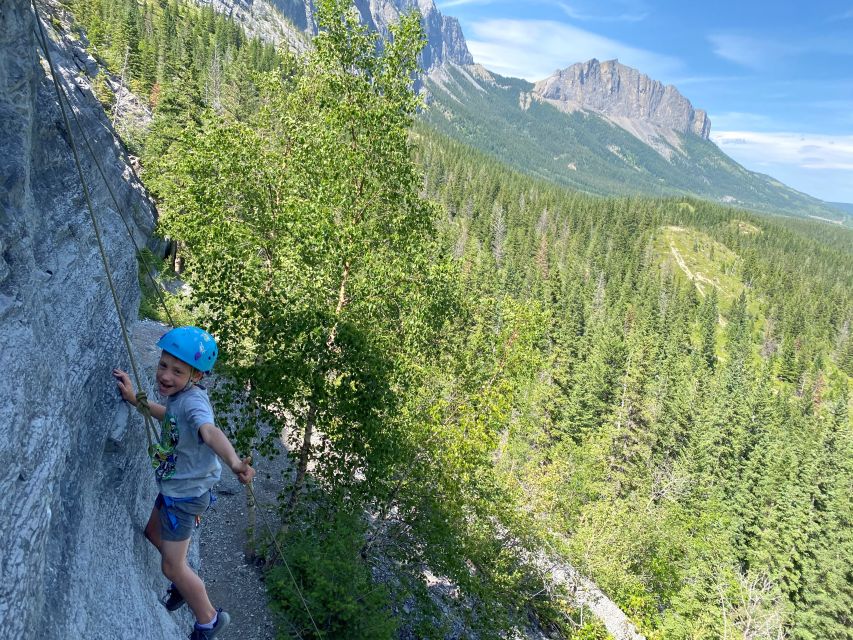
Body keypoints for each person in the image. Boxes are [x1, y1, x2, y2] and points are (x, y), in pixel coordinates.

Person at [113, 326, 255, 640]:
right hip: (176, 489)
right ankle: (184, 581)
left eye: (177, 371)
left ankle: (208, 620)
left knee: (172, 567)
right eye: (163, 365)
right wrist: (136, 399)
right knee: (152, 532)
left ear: (197, 378)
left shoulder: (194, 403)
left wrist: (233, 462)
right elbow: (169, 417)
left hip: (186, 497)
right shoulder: (180, 398)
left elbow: (209, 431)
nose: (166, 375)